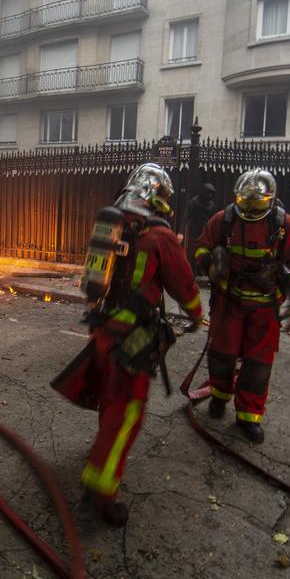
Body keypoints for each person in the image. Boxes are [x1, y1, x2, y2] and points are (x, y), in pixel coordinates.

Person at [52, 163, 202, 526]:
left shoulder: (114, 222)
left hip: (103, 328)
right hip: (134, 336)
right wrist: (196, 314)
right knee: (127, 414)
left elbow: (95, 281)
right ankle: (100, 493)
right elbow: (183, 286)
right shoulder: (160, 236)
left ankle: (100, 458)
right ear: (160, 198)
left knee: (110, 397)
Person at [194, 169, 290, 444]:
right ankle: (220, 399)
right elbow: (201, 247)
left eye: (255, 203)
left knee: (258, 365)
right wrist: (210, 262)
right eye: (245, 201)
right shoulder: (223, 220)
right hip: (229, 302)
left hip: (264, 307)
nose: (248, 207)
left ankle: (248, 416)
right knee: (221, 356)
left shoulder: (283, 225)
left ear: (269, 200)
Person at [180, 183, 216, 274]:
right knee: (192, 254)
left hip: (207, 233)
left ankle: (203, 272)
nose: (209, 196)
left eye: (211, 194)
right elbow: (185, 217)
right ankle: (192, 273)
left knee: (206, 254)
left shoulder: (211, 204)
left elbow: (213, 219)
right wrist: (181, 232)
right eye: (208, 194)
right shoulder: (193, 202)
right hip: (195, 233)